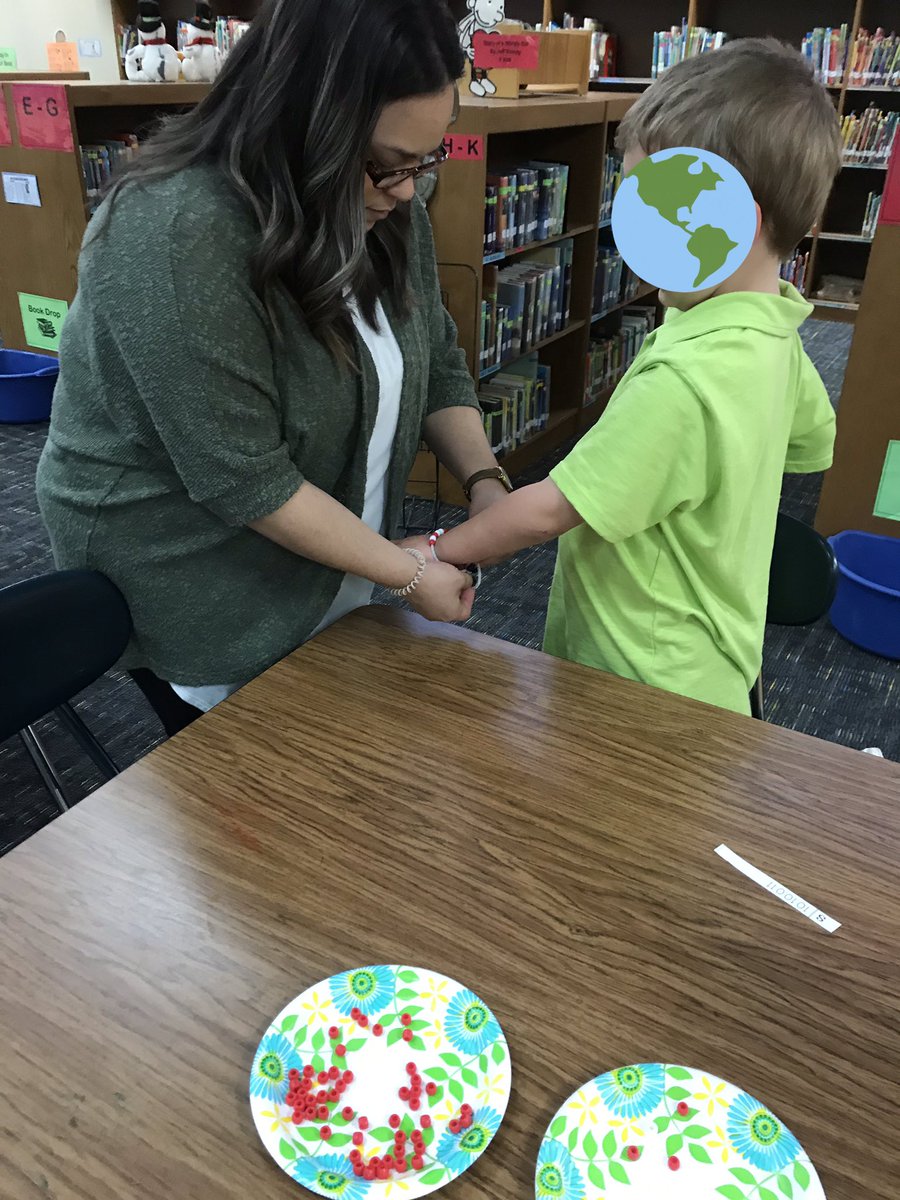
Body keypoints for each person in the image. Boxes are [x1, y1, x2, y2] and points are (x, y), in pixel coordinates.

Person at [36, 0, 513, 731]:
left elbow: (437, 361)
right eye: (385, 166)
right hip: (200, 577)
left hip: (334, 557)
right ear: (301, 127)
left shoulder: (385, 204)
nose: (409, 189)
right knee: (247, 798)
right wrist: (406, 570)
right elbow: (245, 478)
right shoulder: (170, 233)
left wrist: (486, 483)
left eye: (427, 157)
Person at [416, 39, 841, 714]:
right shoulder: (777, 332)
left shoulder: (683, 379)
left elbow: (549, 509)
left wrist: (437, 549)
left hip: (637, 682)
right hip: (720, 666)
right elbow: (810, 443)